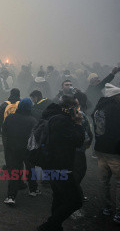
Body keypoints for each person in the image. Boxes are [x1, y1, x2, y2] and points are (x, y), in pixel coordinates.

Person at [37, 96, 85, 231]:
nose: (78, 110)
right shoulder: (64, 122)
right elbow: (78, 141)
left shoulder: (54, 117)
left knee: (58, 197)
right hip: (61, 166)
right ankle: (50, 225)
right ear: (70, 108)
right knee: (76, 201)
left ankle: (55, 226)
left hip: (50, 164)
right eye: (76, 107)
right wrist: (79, 124)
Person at [92, 83, 120, 224]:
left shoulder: (99, 107)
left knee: (104, 181)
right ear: (115, 96)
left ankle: (106, 208)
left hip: (100, 149)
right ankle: (119, 213)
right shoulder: (115, 108)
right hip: (114, 151)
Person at [2, 98, 39, 205]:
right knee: (30, 168)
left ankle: (11, 196)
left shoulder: (10, 118)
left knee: (14, 171)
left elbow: (4, 132)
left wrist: (7, 146)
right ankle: (33, 190)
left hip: (12, 149)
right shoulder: (32, 120)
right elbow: (35, 137)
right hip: (27, 150)